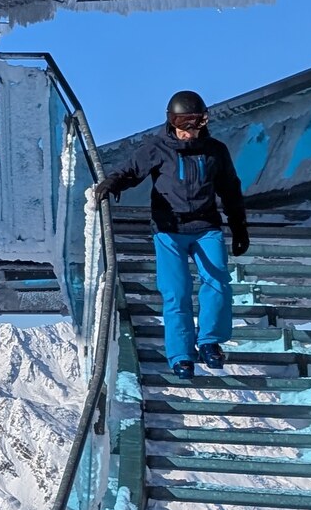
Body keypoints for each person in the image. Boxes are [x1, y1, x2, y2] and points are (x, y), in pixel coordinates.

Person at [91, 90, 250, 377]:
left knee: (218, 281)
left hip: (206, 227)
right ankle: (181, 354)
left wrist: (239, 227)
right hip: (169, 230)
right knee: (176, 291)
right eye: (181, 124)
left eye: (195, 124)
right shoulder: (157, 148)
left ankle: (210, 341)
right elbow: (130, 171)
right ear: (171, 121)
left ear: (203, 122)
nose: (188, 132)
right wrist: (112, 183)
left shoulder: (215, 150)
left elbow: (230, 189)